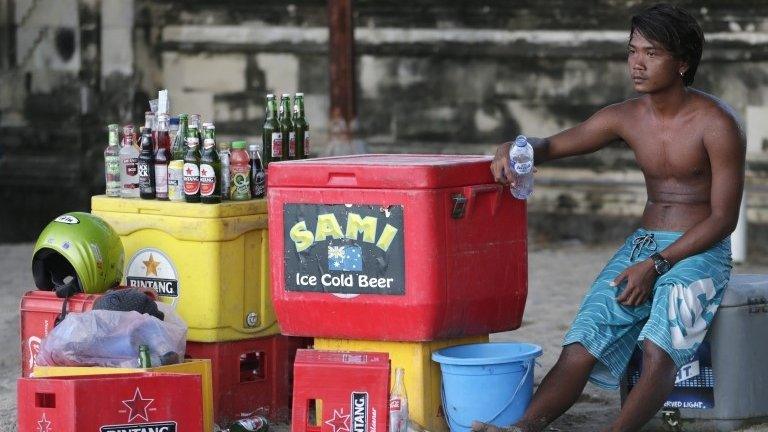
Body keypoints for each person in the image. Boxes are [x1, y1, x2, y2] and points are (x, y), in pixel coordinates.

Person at [478, 4, 745, 432]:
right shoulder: (625, 117)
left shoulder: (717, 124)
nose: (637, 63)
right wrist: (516, 146)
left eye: (651, 53)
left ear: (682, 63)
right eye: (632, 50)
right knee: (582, 342)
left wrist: (657, 267)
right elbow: (552, 145)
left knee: (660, 347)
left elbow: (723, 218)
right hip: (644, 244)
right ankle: (523, 428)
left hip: (701, 250)